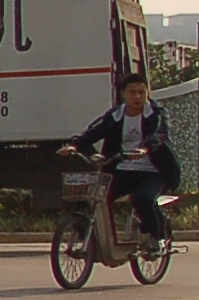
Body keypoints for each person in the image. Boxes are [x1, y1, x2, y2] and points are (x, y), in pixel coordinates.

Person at [74, 74, 179, 249]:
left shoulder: (157, 113)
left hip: (154, 172)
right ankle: (89, 239)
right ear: (123, 94)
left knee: (143, 200)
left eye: (141, 92)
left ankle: (157, 236)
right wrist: (74, 145)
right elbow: (93, 132)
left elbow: (158, 134)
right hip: (122, 170)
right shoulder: (115, 115)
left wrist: (144, 149)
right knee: (92, 197)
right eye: (132, 92)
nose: (137, 96)